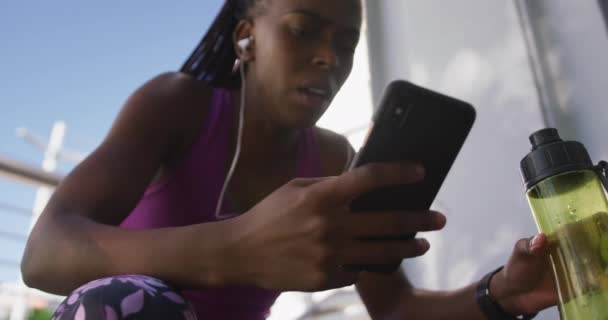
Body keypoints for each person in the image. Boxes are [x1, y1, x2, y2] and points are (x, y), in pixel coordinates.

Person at [20, 0, 558, 319]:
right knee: (126, 300)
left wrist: (502, 294)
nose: (331, 56)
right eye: (304, 29)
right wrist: (235, 249)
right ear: (247, 36)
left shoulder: (332, 160)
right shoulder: (178, 105)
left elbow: (394, 309)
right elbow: (45, 253)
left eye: (347, 43)